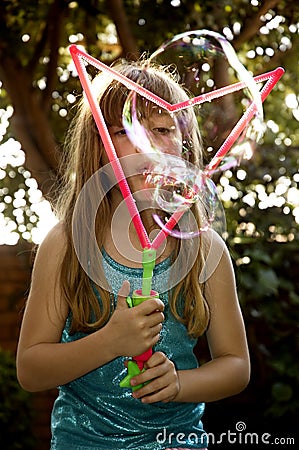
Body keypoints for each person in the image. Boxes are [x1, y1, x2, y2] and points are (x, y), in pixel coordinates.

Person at [16, 58, 250, 450]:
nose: (149, 144)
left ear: (182, 146)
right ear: (99, 145)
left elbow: (236, 365)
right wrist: (110, 342)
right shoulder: (67, 244)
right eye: (128, 130)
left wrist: (179, 384)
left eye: (162, 129)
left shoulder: (205, 248)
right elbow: (30, 369)